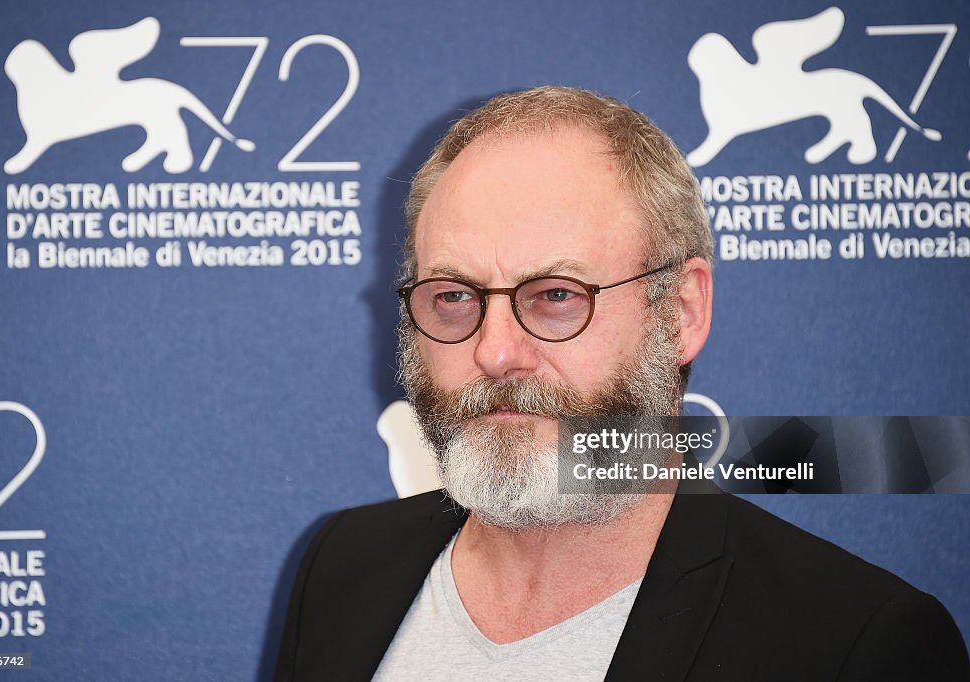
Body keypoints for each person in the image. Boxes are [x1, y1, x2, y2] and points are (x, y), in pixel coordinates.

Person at [275, 86, 969, 680]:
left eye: (554, 295)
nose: (494, 352)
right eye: (454, 297)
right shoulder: (343, 567)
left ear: (682, 312)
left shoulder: (856, 645)